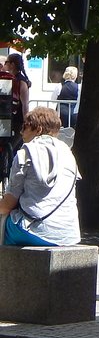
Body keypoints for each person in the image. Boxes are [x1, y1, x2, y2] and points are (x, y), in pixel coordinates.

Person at [0, 106, 80, 247]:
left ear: (39, 130)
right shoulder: (68, 154)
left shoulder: (26, 152)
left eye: (25, 127)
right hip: (69, 233)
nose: (21, 132)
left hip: (34, 228)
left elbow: (7, 205)